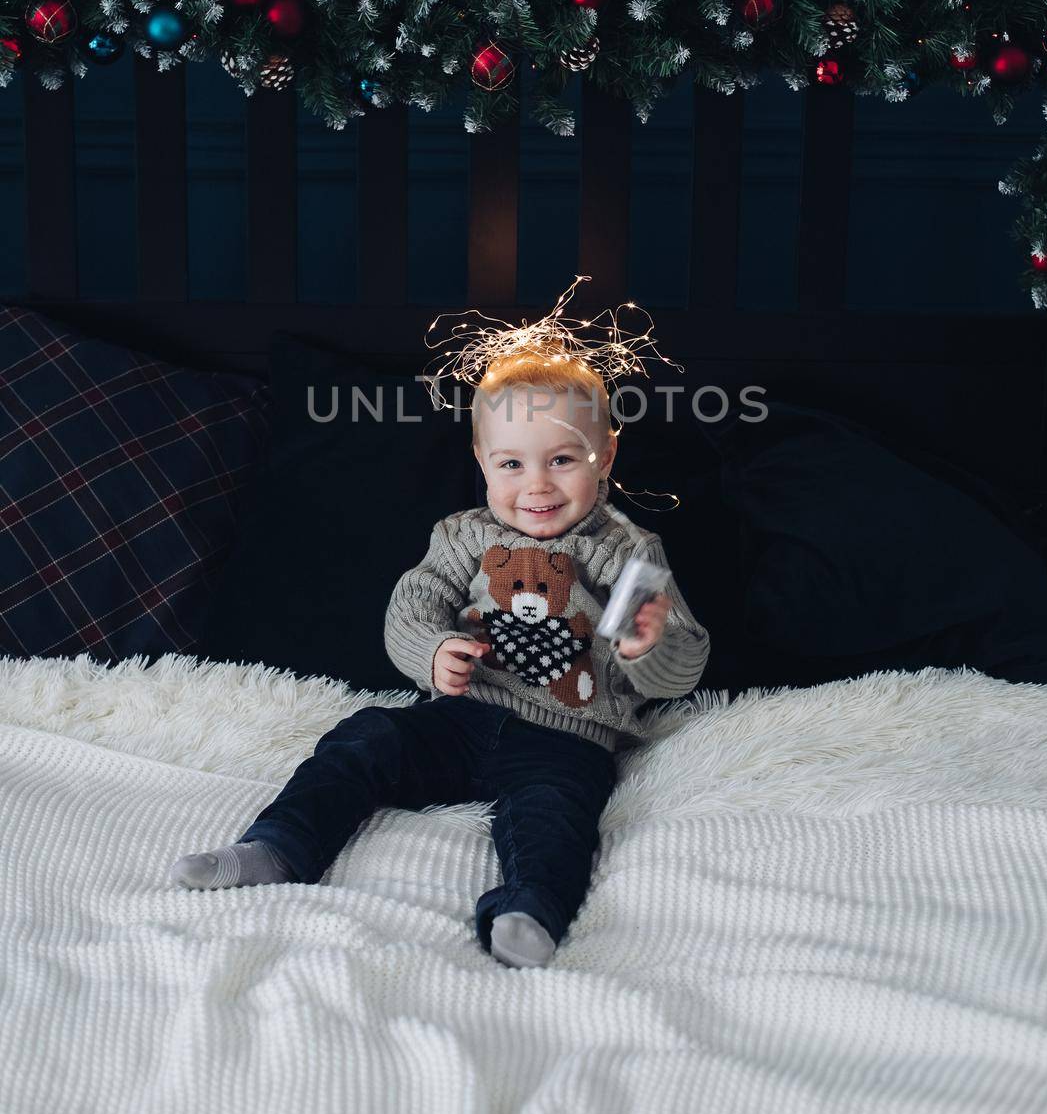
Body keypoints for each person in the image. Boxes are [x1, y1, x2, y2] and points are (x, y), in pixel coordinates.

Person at [170, 343, 709, 968]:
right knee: (366, 737)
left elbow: (686, 662)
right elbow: (412, 607)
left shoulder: (628, 551)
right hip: (460, 716)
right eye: (511, 463)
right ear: (481, 459)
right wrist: (432, 653)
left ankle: (531, 908)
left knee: (557, 816)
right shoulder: (462, 536)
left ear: (605, 455)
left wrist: (649, 646)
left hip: (568, 736)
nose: (536, 484)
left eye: (562, 460)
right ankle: (279, 845)